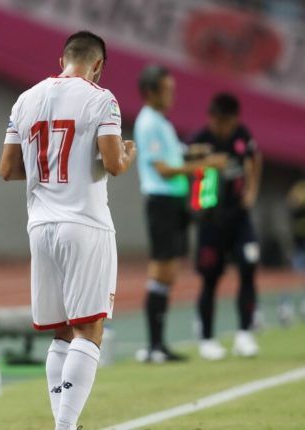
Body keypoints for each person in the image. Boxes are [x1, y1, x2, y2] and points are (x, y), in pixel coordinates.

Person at [0, 31, 135, 430]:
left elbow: (7, 168)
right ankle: (65, 426)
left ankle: (64, 422)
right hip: (85, 223)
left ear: (62, 60)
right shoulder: (102, 99)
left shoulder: (25, 99)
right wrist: (127, 154)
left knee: (61, 332)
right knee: (88, 329)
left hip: (40, 225)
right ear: (98, 65)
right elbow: (112, 162)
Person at [133, 65, 226, 363]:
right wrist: (205, 165)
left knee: (169, 272)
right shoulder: (149, 123)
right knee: (161, 271)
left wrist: (193, 153)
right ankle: (154, 346)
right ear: (150, 92)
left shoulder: (161, 121)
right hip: (161, 201)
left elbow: (172, 156)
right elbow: (162, 167)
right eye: (167, 89)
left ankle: (158, 344)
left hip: (172, 201)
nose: (172, 94)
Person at [191, 93, 263, 359]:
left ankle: (245, 334)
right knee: (210, 278)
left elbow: (256, 158)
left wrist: (252, 189)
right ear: (212, 118)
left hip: (240, 217)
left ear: (234, 120)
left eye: (227, 122)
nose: (222, 127)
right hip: (211, 220)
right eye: (217, 121)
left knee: (248, 267)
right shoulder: (200, 139)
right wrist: (208, 164)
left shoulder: (242, 135)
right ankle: (207, 339)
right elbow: (183, 164)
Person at [287, 178, 305, 317]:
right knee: (295, 275)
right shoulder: (299, 188)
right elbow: (293, 204)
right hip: (300, 241)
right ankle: (288, 306)